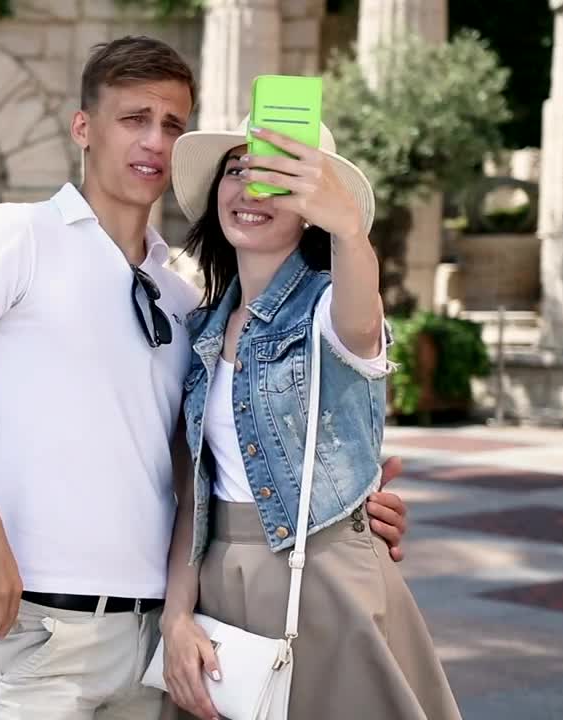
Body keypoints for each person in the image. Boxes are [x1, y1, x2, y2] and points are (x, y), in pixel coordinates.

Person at [0, 36, 409, 720]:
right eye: (133, 118)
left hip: (165, 636)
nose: (153, 140)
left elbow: (198, 473)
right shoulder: (17, 236)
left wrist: (346, 507)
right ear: (83, 127)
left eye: (171, 124)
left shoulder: (183, 298)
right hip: (46, 627)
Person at [157, 118, 460, 720]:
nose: (251, 190)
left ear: (309, 208)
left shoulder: (326, 307)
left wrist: (348, 227)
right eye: (238, 171)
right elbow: (195, 497)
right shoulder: (203, 329)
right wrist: (176, 615)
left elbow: (360, 321)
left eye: (277, 177)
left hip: (323, 580)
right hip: (221, 580)